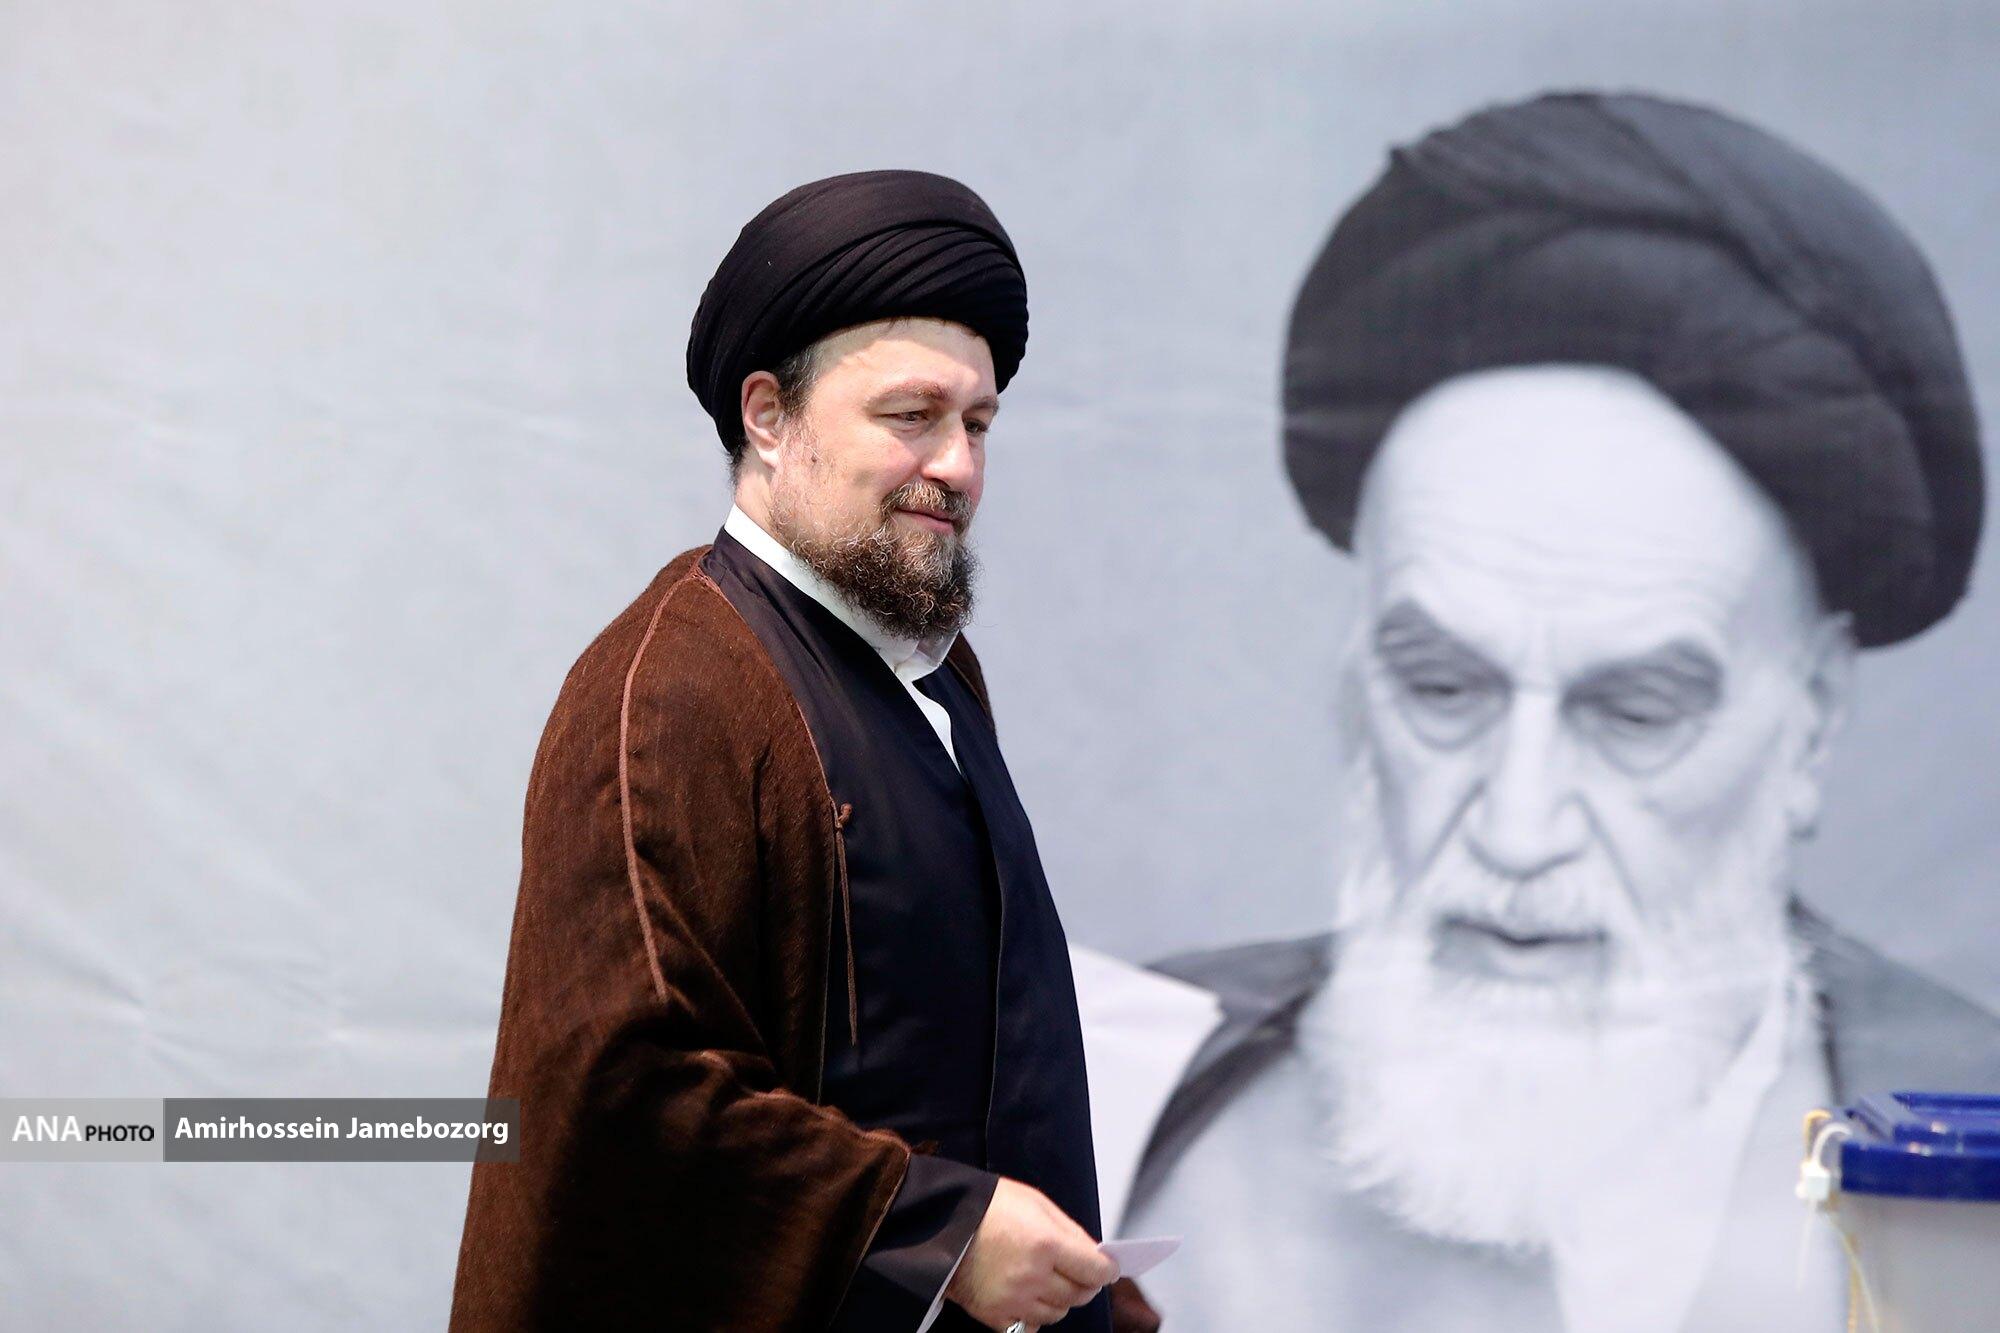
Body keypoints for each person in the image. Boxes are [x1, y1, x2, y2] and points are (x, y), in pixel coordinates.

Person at [1107, 92, 1999, 1332]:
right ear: (1358, 682)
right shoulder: (1113, 1103)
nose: (1517, 827)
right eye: (1442, 688)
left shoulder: (1972, 1159)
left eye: (1634, 712)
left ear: (1810, 720)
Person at [451, 170, 1151, 1333]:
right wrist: (941, 1230)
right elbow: (628, 1094)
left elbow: (973, 1078)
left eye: (977, 424)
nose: (957, 466)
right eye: (911, 415)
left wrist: (1086, 1293)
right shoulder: (673, 687)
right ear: (769, 416)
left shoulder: (937, 682)